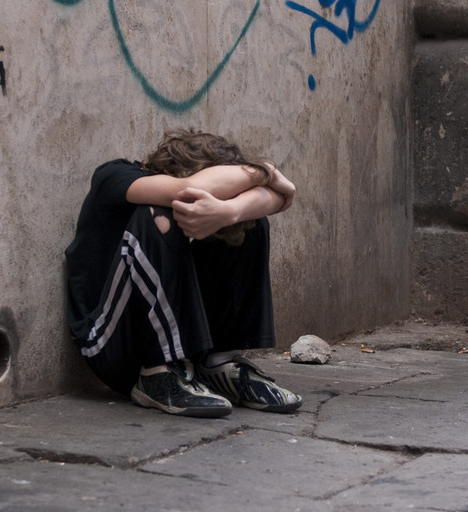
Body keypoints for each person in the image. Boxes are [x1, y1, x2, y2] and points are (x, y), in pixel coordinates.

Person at [65, 129, 301, 418]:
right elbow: (185, 190)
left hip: (189, 353)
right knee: (160, 215)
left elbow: (279, 199)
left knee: (249, 221)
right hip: (109, 343)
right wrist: (265, 171)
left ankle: (218, 364)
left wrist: (230, 211)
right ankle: (158, 372)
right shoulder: (113, 176)